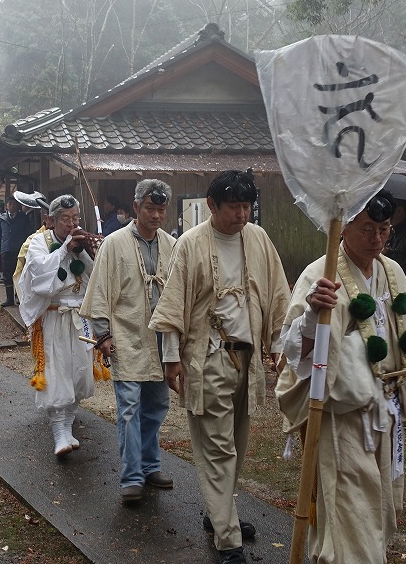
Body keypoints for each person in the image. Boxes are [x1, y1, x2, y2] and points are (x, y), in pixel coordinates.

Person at [274, 191, 406, 564]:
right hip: (343, 419)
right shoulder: (320, 274)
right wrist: (314, 315)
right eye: (367, 229)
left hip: (385, 414)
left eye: (384, 230)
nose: (377, 239)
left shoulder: (392, 272)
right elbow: (295, 353)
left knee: (379, 511)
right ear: (343, 228)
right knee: (350, 517)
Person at [148, 170, 291, 564]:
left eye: (247, 207)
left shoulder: (258, 239)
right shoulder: (191, 244)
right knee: (217, 449)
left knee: (238, 445)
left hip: (248, 360)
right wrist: (171, 358)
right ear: (212, 206)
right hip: (208, 357)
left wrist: (279, 345)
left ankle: (219, 513)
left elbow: (278, 297)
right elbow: (174, 305)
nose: (241, 215)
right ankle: (228, 541)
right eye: (233, 208)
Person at [80, 179, 178, 503]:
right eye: (150, 208)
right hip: (126, 334)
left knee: (157, 406)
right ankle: (132, 476)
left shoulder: (171, 244)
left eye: (161, 209)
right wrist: (103, 333)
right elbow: (100, 292)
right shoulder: (114, 243)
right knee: (128, 409)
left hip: (161, 338)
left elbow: (179, 293)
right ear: (136, 207)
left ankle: (150, 466)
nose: (156, 215)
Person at [18, 194, 101, 458]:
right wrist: (64, 249)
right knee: (56, 373)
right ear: (51, 220)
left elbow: (96, 275)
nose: (71, 223)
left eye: (75, 218)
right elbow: (40, 277)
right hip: (53, 316)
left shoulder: (81, 242)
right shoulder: (38, 243)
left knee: (78, 373)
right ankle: (58, 433)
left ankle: (68, 427)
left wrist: (87, 251)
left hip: (80, 317)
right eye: (65, 219)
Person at [1, 194, 40, 307]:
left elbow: (29, 232)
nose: (12, 206)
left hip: (20, 250)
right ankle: (9, 299)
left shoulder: (23, 218)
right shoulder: (2, 218)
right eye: (10, 204)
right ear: (6, 206)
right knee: (7, 275)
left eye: (14, 204)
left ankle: (20, 296)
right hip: (6, 249)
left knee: (20, 274)